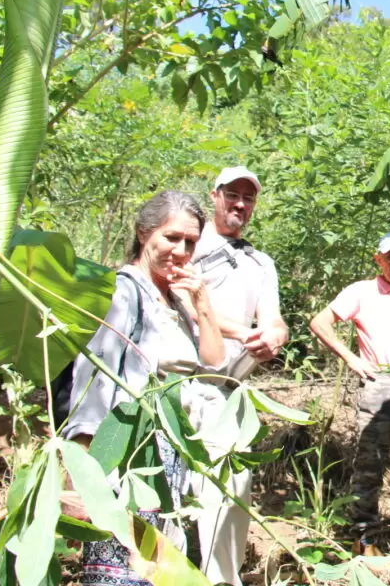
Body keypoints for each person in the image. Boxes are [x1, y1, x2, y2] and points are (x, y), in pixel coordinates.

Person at [62, 190, 227, 586]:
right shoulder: (124, 292)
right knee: (121, 571)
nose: (181, 251)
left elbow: (215, 361)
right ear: (143, 233)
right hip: (127, 457)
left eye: (190, 242)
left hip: (165, 460)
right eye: (172, 237)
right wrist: (80, 479)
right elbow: (94, 384)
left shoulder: (171, 300)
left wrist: (201, 301)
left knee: (153, 571)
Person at [309, 231, 390, 564]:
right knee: (369, 466)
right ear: (378, 259)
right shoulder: (361, 292)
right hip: (378, 385)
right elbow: (320, 322)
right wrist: (351, 359)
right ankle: (364, 538)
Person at [189, 165, 289, 586]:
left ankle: (220, 580)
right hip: (178, 382)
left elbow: (274, 319)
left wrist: (274, 337)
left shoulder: (259, 263)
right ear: (214, 195)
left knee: (231, 489)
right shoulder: (186, 244)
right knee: (166, 494)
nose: (240, 204)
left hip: (227, 391)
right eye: (232, 194)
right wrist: (244, 333)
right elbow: (182, 301)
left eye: (248, 198)